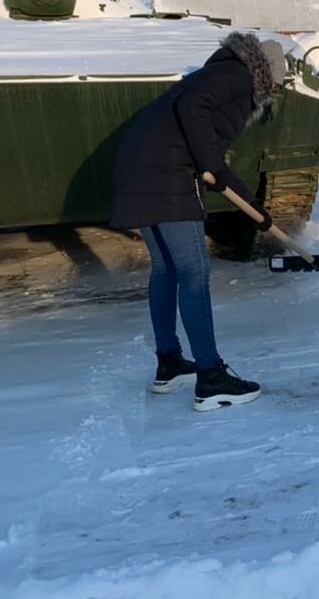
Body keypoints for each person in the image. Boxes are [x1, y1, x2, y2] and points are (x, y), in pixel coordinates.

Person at [111, 32, 287, 411]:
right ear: (265, 73)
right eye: (274, 84)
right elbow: (196, 114)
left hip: (139, 168)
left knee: (167, 269)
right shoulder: (237, 75)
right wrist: (209, 165)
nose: (271, 91)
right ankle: (211, 378)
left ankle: (169, 363)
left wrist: (255, 210)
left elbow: (215, 158)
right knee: (194, 272)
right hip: (167, 174)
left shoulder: (217, 73)